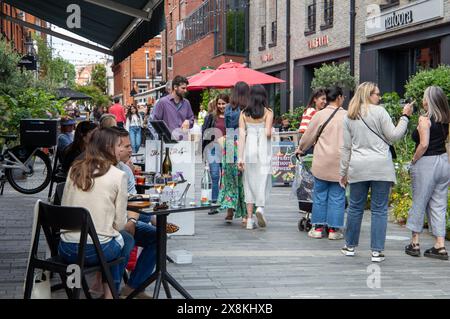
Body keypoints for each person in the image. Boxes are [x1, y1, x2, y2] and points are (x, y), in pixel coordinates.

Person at [340, 82, 413, 262]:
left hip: (358, 166)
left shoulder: (350, 116)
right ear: (368, 94)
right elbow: (394, 136)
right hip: (381, 166)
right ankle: (377, 251)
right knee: (379, 210)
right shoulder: (380, 112)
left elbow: (346, 148)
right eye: (377, 94)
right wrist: (405, 117)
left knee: (355, 208)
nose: (379, 97)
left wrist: (343, 171)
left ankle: (350, 246)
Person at [58, 128, 135, 299]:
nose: (122, 150)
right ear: (109, 147)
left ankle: (77, 291)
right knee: (125, 238)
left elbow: (64, 208)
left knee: (112, 240)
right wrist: (130, 222)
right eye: (119, 146)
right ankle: (110, 293)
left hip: (66, 248)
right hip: (94, 251)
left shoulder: (75, 169)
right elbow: (120, 225)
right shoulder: (118, 175)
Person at [296, 86, 348, 240]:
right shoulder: (348, 116)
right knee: (338, 196)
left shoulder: (319, 115)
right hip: (340, 162)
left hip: (321, 162)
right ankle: (333, 230)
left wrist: (301, 149)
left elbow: (308, 136)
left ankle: (318, 228)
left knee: (319, 195)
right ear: (338, 97)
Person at [405, 86, 450, 260]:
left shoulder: (425, 120)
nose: (423, 100)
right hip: (443, 162)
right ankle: (440, 246)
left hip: (427, 163)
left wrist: (414, 160)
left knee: (419, 201)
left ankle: (415, 242)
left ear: (429, 101)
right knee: (439, 204)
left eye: (424, 97)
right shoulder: (445, 119)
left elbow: (423, 144)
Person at [238, 85, 274, 230]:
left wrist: (240, 157)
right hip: (263, 149)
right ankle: (260, 207)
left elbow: (241, 135)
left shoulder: (243, 113)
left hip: (249, 149)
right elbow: (268, 133)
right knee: (263, 180)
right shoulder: (268, 112)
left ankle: (249, 219)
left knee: (248, 182)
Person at [217, 81, 249, 225]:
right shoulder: (247, 108)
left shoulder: (229, 107)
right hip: (243, 142)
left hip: (230, 142)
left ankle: (230, 210)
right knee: (244, 179)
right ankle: (244, 214)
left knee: (229, 178)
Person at [202, 94, 229, 215]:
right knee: (214, 176)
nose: (221, 106)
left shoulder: (232, 116)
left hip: (228, 149)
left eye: (224, 103)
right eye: (219, 103)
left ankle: (224, 202)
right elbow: (204, 132)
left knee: (225, 176)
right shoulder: (211, 117)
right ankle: (214, 203)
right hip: (213, 148)